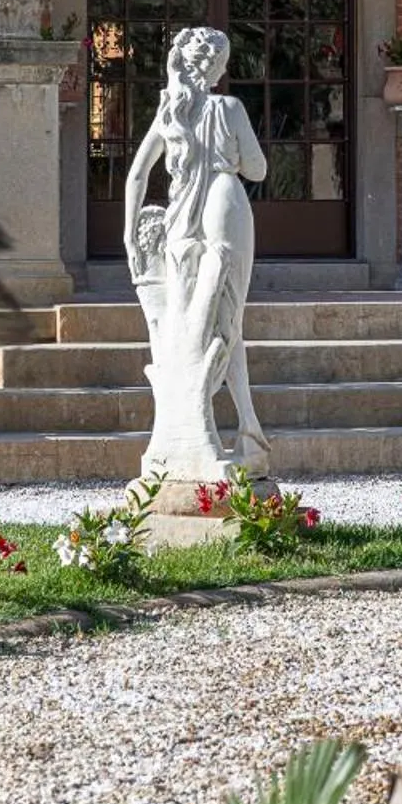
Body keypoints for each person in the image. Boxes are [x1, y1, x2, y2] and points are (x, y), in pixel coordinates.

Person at [123, 25, 269, 476]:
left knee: (190, 325)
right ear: (218, 66)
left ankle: (214, 429)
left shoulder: (172, 111)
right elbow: (258, 170)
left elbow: (137, 175)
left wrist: (129, 233)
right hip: (225, 203)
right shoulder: (229, 107)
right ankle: (246, 430)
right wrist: (228, 154)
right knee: (229, 322)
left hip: (180, 220)